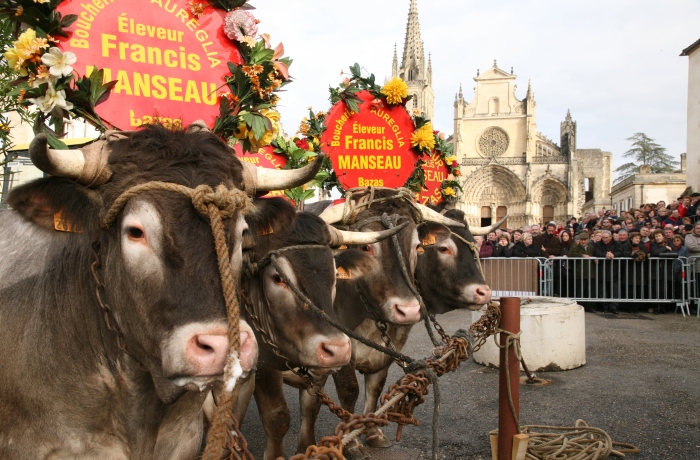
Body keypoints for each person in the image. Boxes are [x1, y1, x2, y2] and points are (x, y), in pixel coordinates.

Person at [593, 230, 622, 313]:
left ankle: (614, 306)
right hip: (602, 269)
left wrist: (613, 255)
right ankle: (604, 306)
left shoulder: (617, 244)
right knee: (603, 289)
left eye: (606, 238)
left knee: (614, 290)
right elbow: (596, 252)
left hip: (614, 270)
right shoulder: (598, 244)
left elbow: (620, 252)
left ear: (611, 237)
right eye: (603, 238)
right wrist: (605, 255)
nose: (604, 239)